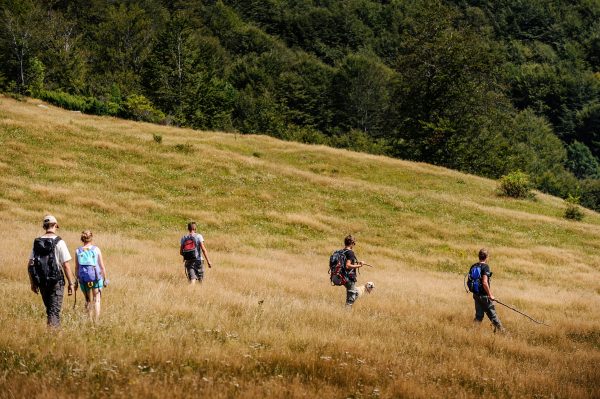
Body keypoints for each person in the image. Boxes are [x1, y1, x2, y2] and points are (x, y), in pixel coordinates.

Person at [27, 215, 75, 328]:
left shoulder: (37, 242)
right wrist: (71, 284)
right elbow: (66, 265)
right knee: (54, 312)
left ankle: (49, 335)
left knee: (50, 310)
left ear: (44, 226)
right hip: (56, 282)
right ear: (55, 225)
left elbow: (30, 264)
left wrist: (33, 283)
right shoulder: (59, 242)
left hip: (42, 281)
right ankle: (52, 338)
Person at [75, 230, 108, 323]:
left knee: (88, 300)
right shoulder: (96, 249)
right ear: (91, 238)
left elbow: (76, 267)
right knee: (96, 300)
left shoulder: (78, 251)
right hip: (96, 278)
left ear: (82, 239)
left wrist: (76, 281)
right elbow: (102, 266)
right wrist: (105, 279)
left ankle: (88, 320)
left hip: (83, 279)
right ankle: (96, 321)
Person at [470, 248, 505, 333]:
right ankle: (503, 333)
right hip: (484, 296)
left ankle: (472, 333)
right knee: (493, 315)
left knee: (479, 316)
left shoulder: (474, 266)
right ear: (486, 257)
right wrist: (490, 295)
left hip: (476, 295)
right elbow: (485, 282)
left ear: (479, 256)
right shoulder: (485, 267)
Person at [341, 234, 364, 308]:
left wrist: (357, 263)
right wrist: (360, 265)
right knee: (351, 298)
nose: (354, 245)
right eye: (354, 243)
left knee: (355, 292)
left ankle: (346, 307)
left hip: (342, 276)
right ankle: (346, 313)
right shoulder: (350, 252)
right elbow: (348, 265)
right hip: (349, 278)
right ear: (352, 243)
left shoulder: (342, 251)